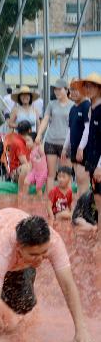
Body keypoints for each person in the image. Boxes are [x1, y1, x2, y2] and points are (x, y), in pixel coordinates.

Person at [0, 209, 96, 342]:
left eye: (43, 253)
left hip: (14, 258)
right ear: (19, 248)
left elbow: (68, 285)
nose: (39, 259)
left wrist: (81, 329)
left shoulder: (54, 241)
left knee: (24, 304)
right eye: (34, 254)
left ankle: (1, 282)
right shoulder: (1, 249)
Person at [71, 73, 101, 228]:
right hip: (91, 159)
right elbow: (88, 131)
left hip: (98, 163)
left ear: (99, 88)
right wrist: (81, 147)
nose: (88, 89)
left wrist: (99, 166)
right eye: (87, 86)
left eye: (92, 86)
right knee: (97, 200)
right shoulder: (91, 108)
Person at [35, 78, 74, 193]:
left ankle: (67, 201)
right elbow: (45, 120)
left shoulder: (73, 106)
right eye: (55, 89)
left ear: (66, 90)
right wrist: (39, 134)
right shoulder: (51, 104)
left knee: (66, 174)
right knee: (51, 174)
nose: (56, 92)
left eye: (59, 89)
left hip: (66, 144)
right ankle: (50, 201)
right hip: (51, 141)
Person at [63, 82, 92, 196]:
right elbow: (70, 130)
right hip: (75, 149)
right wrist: (65, 147)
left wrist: (81, 147)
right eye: (71, 89)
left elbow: (88, 128)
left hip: (85, 149)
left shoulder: (87, 106)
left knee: (83, 179)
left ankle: (85, 209)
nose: (73, 92)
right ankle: (81, 206)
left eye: (76, 89)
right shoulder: (73, 109)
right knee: (78, 180)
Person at [2, 122, 34, 193]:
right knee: (26, 167)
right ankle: (21, 192)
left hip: (15, 171)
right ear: (30, 131)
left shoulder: (15, 139)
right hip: (15, 173)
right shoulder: (19, 143)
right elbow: (24, 162)